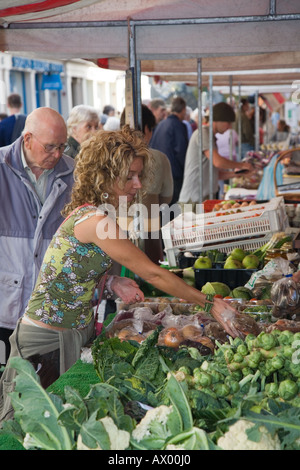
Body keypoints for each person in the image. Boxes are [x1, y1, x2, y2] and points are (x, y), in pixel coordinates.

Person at [0, 125, 240, 423]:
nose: (137, 184)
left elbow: (74, 265)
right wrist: (208, 304)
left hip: (72, 333)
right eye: (129, 177)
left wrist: (110, 280)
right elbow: (153, 273)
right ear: (103, 177)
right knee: (24, 427)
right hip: (45, 341)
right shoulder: (95, 219)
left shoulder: (99, 215)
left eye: (139, 175)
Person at [0, 107, 74, 364]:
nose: (57, 154)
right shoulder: (1, 168)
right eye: (50, 147)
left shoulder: (73, 172)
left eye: (62, 146)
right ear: (27, 139)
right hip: (6, 307)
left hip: (52, 310)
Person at [120, 105, 173, 263]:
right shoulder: (158, 158)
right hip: (150, 232)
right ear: (147, 129)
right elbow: (167, 197)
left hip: (117, 234)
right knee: (151, 277)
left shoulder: (112, 158)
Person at [179, 102, 253, 207]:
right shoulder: (203, 133)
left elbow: (216, 174)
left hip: (203, 197)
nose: (230, 127)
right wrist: (241, 165)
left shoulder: (210, 137)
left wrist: (239, 173)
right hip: (193, 199)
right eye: (228, 123)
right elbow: (218, 162)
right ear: (217, 120)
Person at [150, 96, 189, 205]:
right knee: (172, 209)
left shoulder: (161, 124)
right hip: (174, 175)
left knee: (163, 208)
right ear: (183, 110)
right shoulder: (178, 126)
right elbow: (181, 151)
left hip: (159, 173)